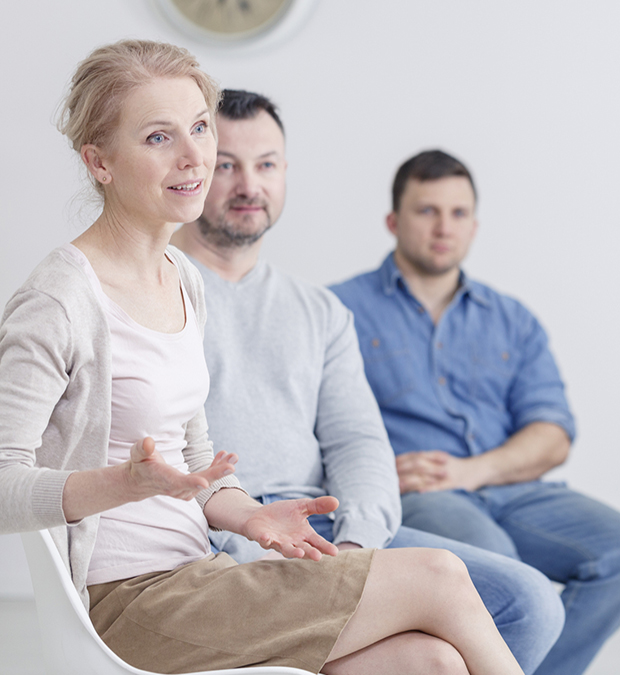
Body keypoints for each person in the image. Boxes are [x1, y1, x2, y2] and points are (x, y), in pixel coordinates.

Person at [0, 40, 521, 675]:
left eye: (198, 127)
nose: (196, 155)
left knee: (428, 661)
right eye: (159, 137)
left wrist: (252, 517)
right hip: (128, 605)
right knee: (440, 574)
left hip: (197, 575)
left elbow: (195, 464)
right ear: (99, 161)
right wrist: (121, 485)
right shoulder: (59, 300)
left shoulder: (179, 278)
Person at [169, 89, 563, 673]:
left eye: (267, 164)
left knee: (528, 604)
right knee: (436, 659)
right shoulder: (158, 291)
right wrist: (243, 538)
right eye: (227, 163)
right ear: (197, 168)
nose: (249, 184)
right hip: (229, 535)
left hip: (330, 532)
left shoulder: (319, 309)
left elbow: (359, 442)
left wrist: (353, 553)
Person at [330, 149, 620, 675]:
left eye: (459, 214)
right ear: (393, 221)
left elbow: (552, 434)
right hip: (420, 496)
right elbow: (317, 427)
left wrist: (474, 470)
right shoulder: (338, 311)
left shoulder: (512, 320)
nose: (445, 227)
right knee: (499, 561)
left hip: (512, 488)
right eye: (427, 211)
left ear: (475, 225)